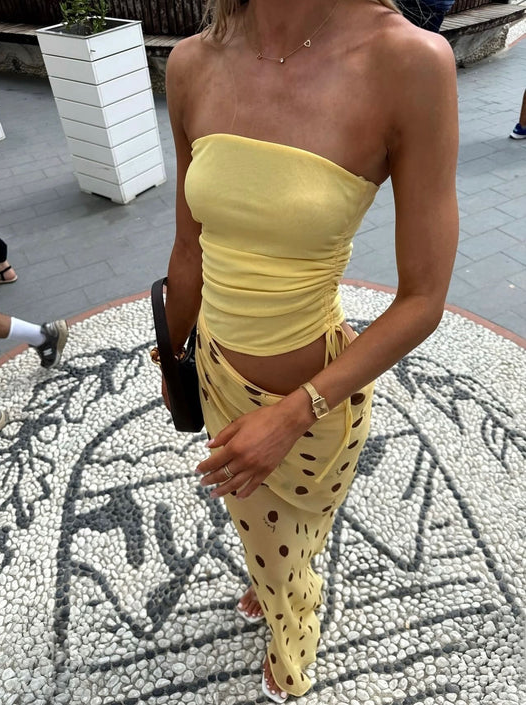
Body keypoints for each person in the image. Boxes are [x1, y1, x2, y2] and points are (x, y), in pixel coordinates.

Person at [161, 0, 458, 701]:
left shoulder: (408, 63)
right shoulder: (192, 62)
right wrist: (171, 354)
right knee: (263, 533)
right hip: (216, 377)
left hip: (318, 406)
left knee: (294, 531)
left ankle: (292, 627)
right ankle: (279, 584)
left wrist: (294, 413)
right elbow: (188, 248)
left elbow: (423, 298)